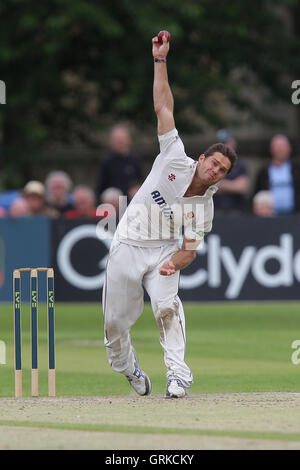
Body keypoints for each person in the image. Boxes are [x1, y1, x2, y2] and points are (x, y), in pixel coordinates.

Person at [102, 33, 237, 399]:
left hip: (163, 251)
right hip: (128, 242)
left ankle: (178, 375)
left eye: (223, 171)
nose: (215, 171)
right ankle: (127, 367)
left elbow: (189, 250)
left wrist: (171, 265)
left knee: (166, 306)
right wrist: (160, 61)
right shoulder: (175, 156)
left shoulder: (203, 208)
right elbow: (163, 107)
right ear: (203, 158)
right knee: (115, 324)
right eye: (215, 163)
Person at [253, 134, 300, 214]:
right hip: (270, 218)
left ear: (289, 148)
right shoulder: (263, 171)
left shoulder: (297, 169)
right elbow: (257, 194)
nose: (280, 149)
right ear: (271, 149)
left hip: (295, 216)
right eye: (277, 146)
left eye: (283, 146)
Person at [96, 125, 143, 200]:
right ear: (111, 141)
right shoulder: (106, 161)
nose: (120, 142)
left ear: (129, 140)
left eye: (122, 139)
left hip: (131, 201)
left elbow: (141, 181)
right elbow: (100, 187)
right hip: (113, 202)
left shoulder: (135, 159)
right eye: (117, 140)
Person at [213, 129, 249, 214]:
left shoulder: (240, 164)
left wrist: (220, 184)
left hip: (236, 210)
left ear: (233, 143)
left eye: (227, 142)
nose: (224, 146)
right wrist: (232, 185)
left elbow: (242, 187)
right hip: (215, 211)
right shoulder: (211, 163)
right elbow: (207, 187)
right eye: (221, 143)